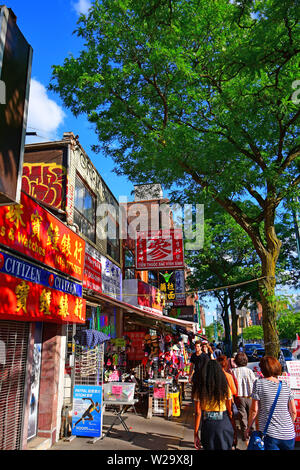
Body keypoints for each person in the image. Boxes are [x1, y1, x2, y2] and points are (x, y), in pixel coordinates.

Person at [246, 356, 296, 450]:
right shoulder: (285, 385)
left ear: (263, 369)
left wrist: (248, 427)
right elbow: (293, 411)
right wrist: (287, 426)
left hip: (270, 434)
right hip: (289, 435)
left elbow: (254, 410)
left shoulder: (259, 384)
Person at [193, 360, 237, 450]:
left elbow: (198, 413)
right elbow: (230, 412)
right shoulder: (224, 387)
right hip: (224, 423)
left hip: (208, 426)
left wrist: (196, 433)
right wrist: (234, 430)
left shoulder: (200, 389)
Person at [232, 352, 256, 443]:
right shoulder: (250, 371)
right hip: (250, 397)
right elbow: (254, 384)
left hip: (239, 397)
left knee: (243, 418)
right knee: (251, 417)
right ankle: (252, 434)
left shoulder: (234, 371)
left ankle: (245, 437)